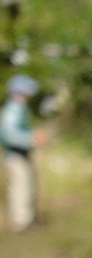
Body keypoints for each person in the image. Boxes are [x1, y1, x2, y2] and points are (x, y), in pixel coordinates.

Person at [0, 74, 46, 231]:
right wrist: (31, 139)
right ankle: (20, 221)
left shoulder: (20, 108)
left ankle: (27, 217)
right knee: (20, 185)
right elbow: (10, 135)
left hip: (22, 154)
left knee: (28, 184)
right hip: (15, 155)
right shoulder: (13, 109)